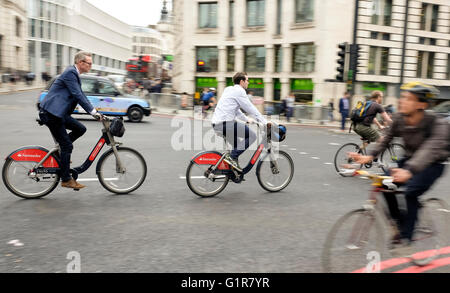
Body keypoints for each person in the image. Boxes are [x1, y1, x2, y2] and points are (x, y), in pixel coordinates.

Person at [349, 82, 449, 254]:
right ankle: (400, 223)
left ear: (421, 104)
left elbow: (429, 149)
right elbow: (386, 138)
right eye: (402, 97)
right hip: (409, 160)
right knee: (384, 184)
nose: (402, 101)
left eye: (408, 98)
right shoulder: (400, 119)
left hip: (433, 163)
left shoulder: (436, 123)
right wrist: (370, 156)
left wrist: (409, 170)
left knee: (411, 192)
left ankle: (406, 240)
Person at [39, 51, 103, 190]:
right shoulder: (70, 73)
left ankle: (61, 153)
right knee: (67, 145)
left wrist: (95, 111)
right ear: (81, 63)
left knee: (80, 128)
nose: (91, 66)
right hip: (52, 114)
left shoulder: (74, 74)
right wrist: (93, 113)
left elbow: (81, 95)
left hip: (58, 113)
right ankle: (66, 179)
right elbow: (77, 94)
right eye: (89, 63)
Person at [211, 72, 269, 172]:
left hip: (217, 124)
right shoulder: (240, 91)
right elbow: (250, 108)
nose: (248, 82)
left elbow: (236, 110)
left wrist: (246, 120)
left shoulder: (228, 89)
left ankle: (232, 172)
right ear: (242, 81)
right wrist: (264, 122)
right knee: (252, 136)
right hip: (226, 124)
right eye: (247, 80)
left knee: (237, 146)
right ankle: (232, 158)